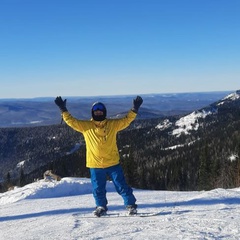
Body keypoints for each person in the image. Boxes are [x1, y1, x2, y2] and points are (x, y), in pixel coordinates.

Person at [55, 95, 143, 217]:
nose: (98, 112)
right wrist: (63, 110)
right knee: (98, 188)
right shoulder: (86, 126)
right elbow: (71, 121)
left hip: (112, 162)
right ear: (92, 113)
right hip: (95, 164)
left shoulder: (113, 125)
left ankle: (131, 205)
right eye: (96, 111)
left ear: (104, 112)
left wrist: (135, 109)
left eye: (100, 110)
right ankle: (101, 206)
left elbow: (126, 120)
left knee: (121, 185)